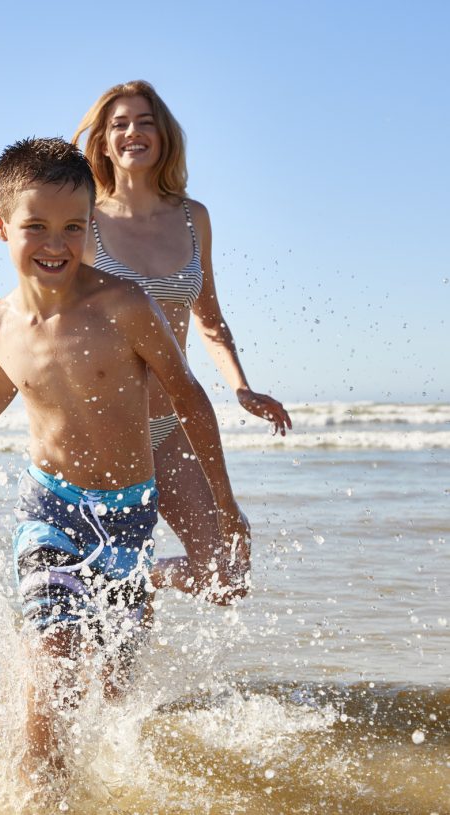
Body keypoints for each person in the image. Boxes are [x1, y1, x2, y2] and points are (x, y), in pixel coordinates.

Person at [0, 138, 248, 780]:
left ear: (92, 226)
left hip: (130, 518)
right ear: (0, 224)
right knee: (51, 681)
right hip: (49, 513)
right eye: (35, 227)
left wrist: (225, 505)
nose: (55, 244)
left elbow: (190, 400)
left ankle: (99, 779)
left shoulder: (125, 306)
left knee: (115, 697)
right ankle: (39, 786)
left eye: (73, 228)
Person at [73, 80, 291, 603]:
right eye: (119, 124)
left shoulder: (194, 218)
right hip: (101, 427)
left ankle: (134, 581)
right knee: (92, 612)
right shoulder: (83, 221)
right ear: (102, 142)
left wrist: (241, 388)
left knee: (227, 573)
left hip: (170, 424)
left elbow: (209, 319)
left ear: (164, 136)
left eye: (145, 122)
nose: (133, 133)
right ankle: (109, 589)